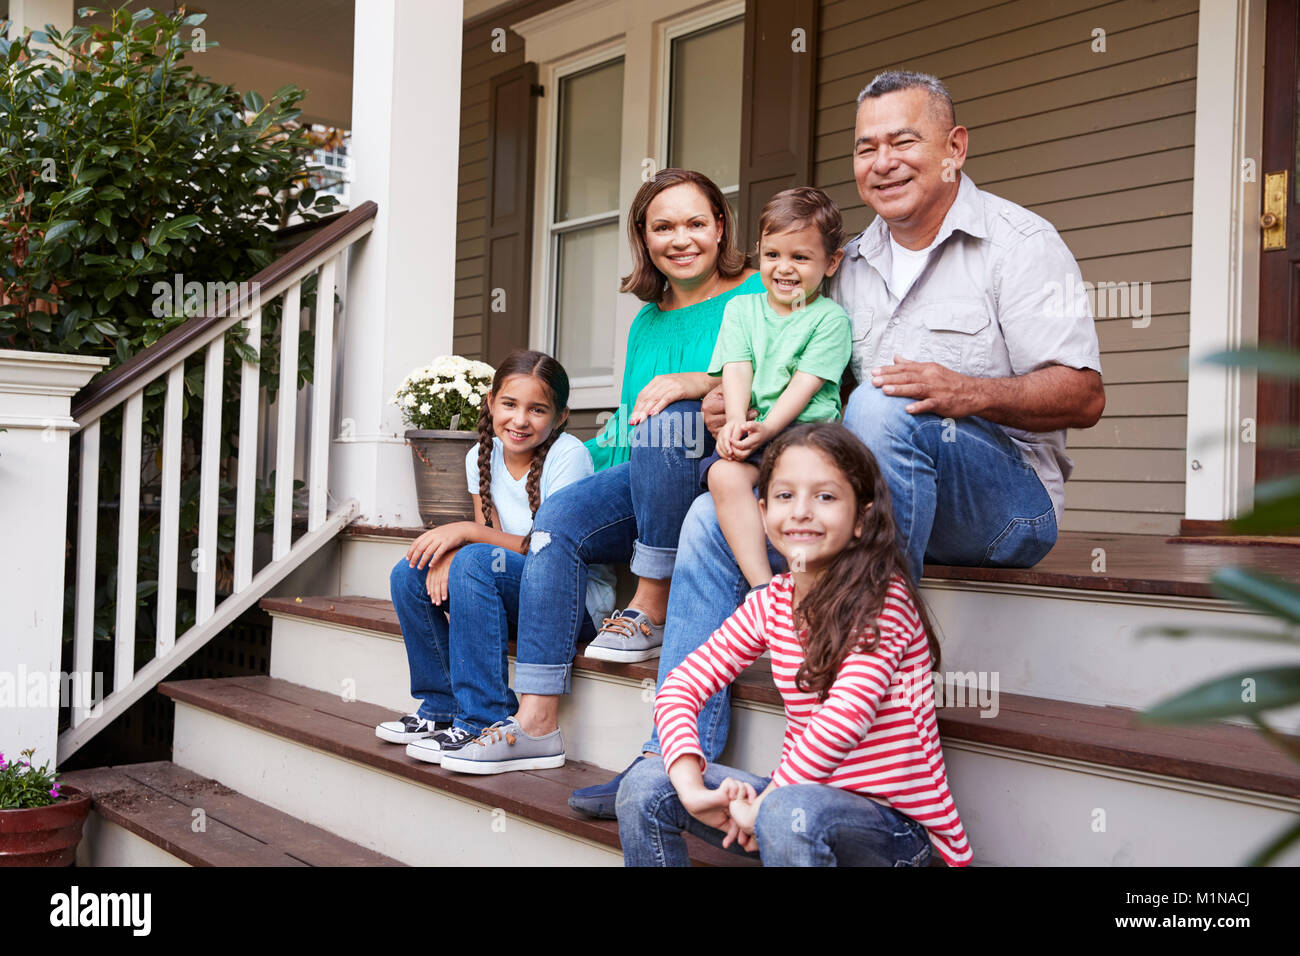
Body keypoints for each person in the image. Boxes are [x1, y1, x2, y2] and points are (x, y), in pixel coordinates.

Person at [577, 69, 1106, 816]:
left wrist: (969, 391)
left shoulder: (1019, 245)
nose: (881, 161)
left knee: (886, 413)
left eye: (903, 141)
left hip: (1002, 505)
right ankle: (669, 765)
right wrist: (722, 393)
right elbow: (799, 382)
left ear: (955, 148)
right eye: (865, 147)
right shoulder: (843, 264)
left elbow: (1085, 395)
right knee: (708, 517)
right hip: (876, 496)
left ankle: (867, 676)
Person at [436, 169, 763, 777]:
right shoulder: (647, 320)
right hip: (652, 470)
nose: (681, 238)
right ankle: (535, 720)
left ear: (721, 227)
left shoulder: (759, 290)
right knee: (561, 518)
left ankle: (651, 600)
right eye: (662, 227)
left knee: (674, 422)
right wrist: (590, 484)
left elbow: (793, 379)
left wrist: (699, 384)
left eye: (696, 222)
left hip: (729, 467)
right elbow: (628, 416)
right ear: (644, 237)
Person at [616, 423, 972, 866]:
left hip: (893, 829)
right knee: (647, 783)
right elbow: (680, 686)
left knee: (788, 812)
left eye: (825, 497)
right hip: (797, 801)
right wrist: (692, 788)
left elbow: (844, 719)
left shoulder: (884, 600)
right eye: (785, 496)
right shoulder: (771, 603)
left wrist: (764, 806)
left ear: (861, 518)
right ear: (762, 513)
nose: (802, 511)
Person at [379, 349, 614, 767]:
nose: (520, 420)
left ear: (560, 417)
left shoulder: (568, 456)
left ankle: (482, 719)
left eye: (537, 409)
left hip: (572, 602)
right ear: (491, 404)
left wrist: (466, 537)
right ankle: (439, 707)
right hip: (517, 591)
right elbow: (489, 541)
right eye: (509, 404)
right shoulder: (479, 456)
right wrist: (456, 550)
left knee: (473, 561)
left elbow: (550, 550)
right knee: (409, 573)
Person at [703, 186, 851, 590]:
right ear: (759, 251)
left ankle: (805, 587)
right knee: (722, 476)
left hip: (807, 435)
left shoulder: (829, 320)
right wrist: (735, 422)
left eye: (800, 257)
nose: (784, 268)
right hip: (757, 433)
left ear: (831, 261)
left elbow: (804, 385)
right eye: (773, 255)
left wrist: (768, 429)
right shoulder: (742, 309)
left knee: (797, 501)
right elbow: (737, 367)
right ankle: (763, 589)